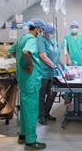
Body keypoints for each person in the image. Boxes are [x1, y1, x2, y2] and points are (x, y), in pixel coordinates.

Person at [9, 19, 46, 150]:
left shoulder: (21, 38)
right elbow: (26, 52)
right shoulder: (31, 39)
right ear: (36, 28)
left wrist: (20, 63)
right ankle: (30, 141)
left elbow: (11, 51)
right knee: (31, 111)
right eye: (41, 29)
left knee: (24, 109)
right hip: (31, 81)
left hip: (23, 80)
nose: (41, 32)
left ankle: (23, 135)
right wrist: (29, 65)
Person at [37, 23, 60, 125]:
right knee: (41, 96)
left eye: (52, 33)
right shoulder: (40, 40)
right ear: (44, 31)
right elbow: (42, 56)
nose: (50, 34)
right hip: (43, 73)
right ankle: (41, 116)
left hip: (53, 73)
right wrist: (53, 65)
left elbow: (56, 54)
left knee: (52, 94)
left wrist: (62, 67)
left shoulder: (53, 40)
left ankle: (47, 113)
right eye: (49, 33)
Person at [61, 21, 82, 104]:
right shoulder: (67, 37)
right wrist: (68, 58)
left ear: (78, 28)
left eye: (75, 27)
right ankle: (67, 98)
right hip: (70, 62)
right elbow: (65, 49)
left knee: (80, 80)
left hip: (81, 61)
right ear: (70, 28)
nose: (74, 29)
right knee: (69, 81)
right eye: (72, 27)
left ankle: (80, 97)